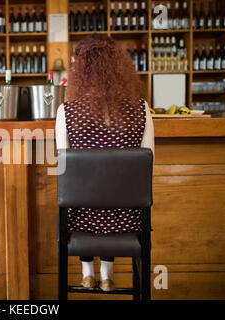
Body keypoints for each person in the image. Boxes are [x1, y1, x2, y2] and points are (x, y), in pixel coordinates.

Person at [55, 34, 155, 292]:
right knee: (114, 196)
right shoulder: (142, 109)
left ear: (80, 68)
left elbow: (67, 172)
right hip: (127, 221)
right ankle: (107, 274)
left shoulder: (66, 112)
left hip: (81, 220)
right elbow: (147, 168)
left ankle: (87, 273)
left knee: (83, 198)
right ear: (119, 66)